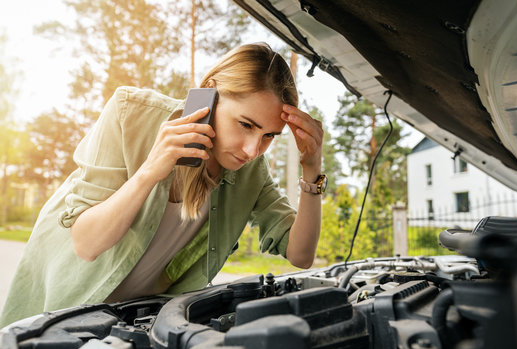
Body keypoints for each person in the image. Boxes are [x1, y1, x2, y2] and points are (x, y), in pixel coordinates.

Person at [0, 43, 326, 327]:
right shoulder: (131, 113)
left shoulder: (251, 171)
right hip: (63, 298)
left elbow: (301, 254)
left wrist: (312, 171)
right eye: (245, 125)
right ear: (210, 90)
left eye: (269, 135)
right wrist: (149, 172)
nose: (253, 150)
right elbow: (86, 245)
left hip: (130, 320)